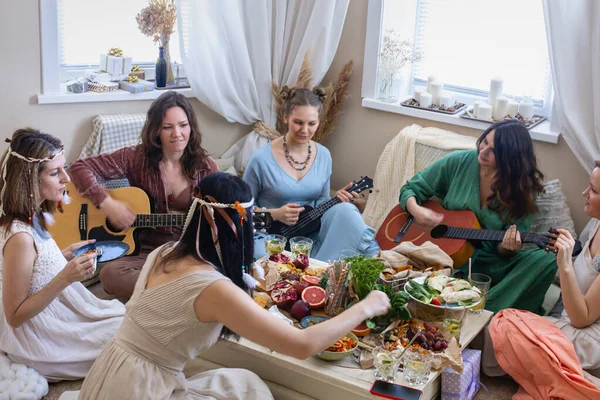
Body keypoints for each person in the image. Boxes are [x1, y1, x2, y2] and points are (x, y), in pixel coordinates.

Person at [69, 172, 391, 399]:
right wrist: (367, 305)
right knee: (251, 390)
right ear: (240, 226)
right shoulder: (212, 288)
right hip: (142, 389)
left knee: (244, 383)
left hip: (111, 369)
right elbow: (302, 345)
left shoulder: (164, 252)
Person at [0, 129, 124, 381]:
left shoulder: (32, 216)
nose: (66, 178)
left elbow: (35, 266)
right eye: (56, 172)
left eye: (63, 168)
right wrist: (66, 277)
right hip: (38, 335)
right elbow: (14, 316)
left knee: (128, 320)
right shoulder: (20, 238)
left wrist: (64, 255)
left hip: (58, 312)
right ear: (31, 179)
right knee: (127, 345)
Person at [69, 91, 218, 300]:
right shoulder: (135, 158)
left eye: (183, 125)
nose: (177, 133)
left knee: (212, 273)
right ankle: (177, 295)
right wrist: (107, 203)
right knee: (110, 275)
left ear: (191, 127)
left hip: (187, 251)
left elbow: (219, 216)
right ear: (156, 130)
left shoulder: (207, 167)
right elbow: (79, 168)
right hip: (144, 251)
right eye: (168, 127)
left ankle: (164, 293)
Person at [399, 119, 557, 314]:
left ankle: (486, 310)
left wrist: (507, 248)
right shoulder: (459, 161)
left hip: (490, 261)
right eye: (484, 142)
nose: (483, 152)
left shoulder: (523, 188)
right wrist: (417, 211)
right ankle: (474, 304)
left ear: (510, 158)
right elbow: (412, 188)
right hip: (443, 253)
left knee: (546, 260)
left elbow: (504, 250)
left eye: (493, 151)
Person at [481, 162, 600, 398]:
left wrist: (564, 266)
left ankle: (583, 384)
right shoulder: (596, 223)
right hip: (567, 324)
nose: (584, 193)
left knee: (502, 334)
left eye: (594, 190)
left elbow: (582, 318)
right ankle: (557, 379)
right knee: (499, 325)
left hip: (588, 338)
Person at [243, 87, 380, 262]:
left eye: (311, 123)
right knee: (264, 258)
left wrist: (336, 199)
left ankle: (327, 271)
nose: (305, 130)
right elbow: (240, 214)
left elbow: (321, 202)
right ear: (286, 118)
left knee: (346, 211)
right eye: (298, 122)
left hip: (309, 230)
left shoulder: (323, 155)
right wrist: (276, 214)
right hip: (269, 235)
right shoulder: (260, 160)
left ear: (319, 121)